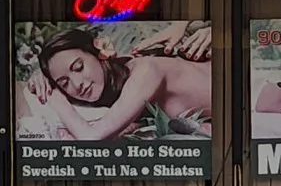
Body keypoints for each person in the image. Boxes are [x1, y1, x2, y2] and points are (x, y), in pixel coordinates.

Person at [25, 24, 214, 138]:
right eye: (64, 83)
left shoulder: (145, 72)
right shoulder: (121, 82)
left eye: (78, 67)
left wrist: (57, 98)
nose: (77, 84)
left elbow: (91, 137)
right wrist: (43, 75)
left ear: (98, 51)